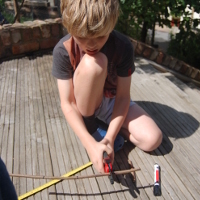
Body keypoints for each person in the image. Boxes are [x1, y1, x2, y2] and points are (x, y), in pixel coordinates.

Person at [52, 0, 162, 173]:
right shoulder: (63, 50)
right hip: (85, 104)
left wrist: (110, 138)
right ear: (69, 28)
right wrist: (89, 144)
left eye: (100, 36)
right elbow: (68, 103)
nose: (91, 44)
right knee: (94, 63)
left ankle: (107, 130)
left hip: (111, 100)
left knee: (152, 139)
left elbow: (123, 97)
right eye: (82, 37)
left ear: (111, 25)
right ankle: (90, 125)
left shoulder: (123, 46)